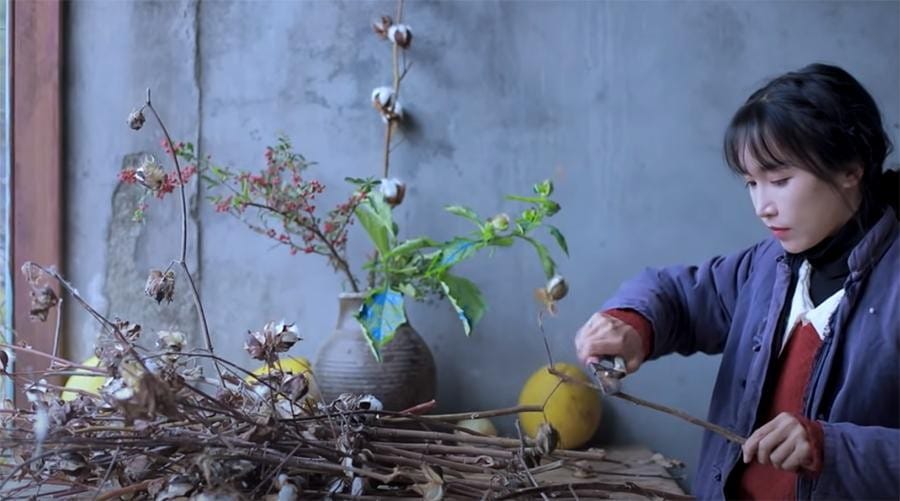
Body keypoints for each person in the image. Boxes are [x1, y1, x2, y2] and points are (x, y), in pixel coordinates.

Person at [574, 63, 898, 500]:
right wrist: (632, 324)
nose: (762, 206)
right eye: (751, 183)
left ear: (851, 169)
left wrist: (832, 447)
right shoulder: (770, 265)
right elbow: (681, 297)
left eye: (780, 180)